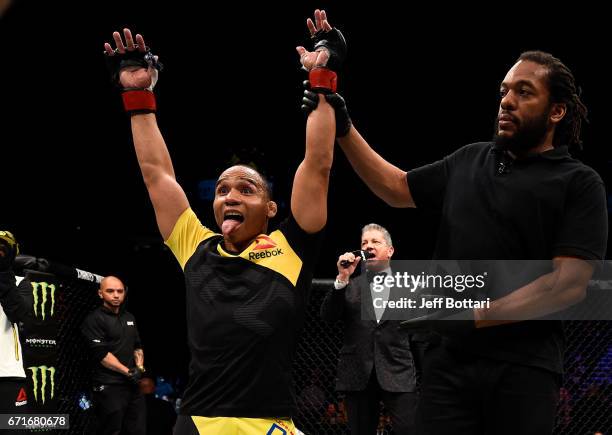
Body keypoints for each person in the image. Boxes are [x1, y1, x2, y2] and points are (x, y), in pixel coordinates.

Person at [300, 28, 608, 435]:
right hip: (448, 365)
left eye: (524, 92)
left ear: (557, 112)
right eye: (504, 91)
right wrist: (343, 125)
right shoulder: (471, 160)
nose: (507, 101)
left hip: (523, 368)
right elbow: (395, 188)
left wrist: (476, 316)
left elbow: (568, 284)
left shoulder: (578, 182)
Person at [103, 9, 337, 433]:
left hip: (269, 423)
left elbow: (317, 164)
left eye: (247, 190)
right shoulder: (196, 244)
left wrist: (322, 81)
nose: (230, 195)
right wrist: (139, 100)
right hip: (196, 423)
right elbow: (156, 174)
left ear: (271, 209)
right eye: (224, 189)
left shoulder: (292, 247)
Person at [321, 224, 417, 434]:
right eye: (364, 243)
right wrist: (342, 278)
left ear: (390, 250)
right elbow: (327, 317)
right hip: (357, 373)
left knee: (409, 428)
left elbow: (422, 331)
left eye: (375, 241)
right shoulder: (350, 285)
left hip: (397, 371)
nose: (369, 246)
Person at [81, 276, 146, 435]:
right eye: (110, 291)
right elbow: (102, 355)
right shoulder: (93, 320)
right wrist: (129, 372)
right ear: (100, 293)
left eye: (120, 291)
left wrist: (139, 368)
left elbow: (137, 346)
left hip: (132, 385)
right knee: (111, 430)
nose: (116, 295)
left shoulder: (129, 317)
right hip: (109, 386)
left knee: (137, 430)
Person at [0, 231, 29, 418]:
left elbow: (19, 313)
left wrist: (3, 272)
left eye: (2, 250)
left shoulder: (20, 283)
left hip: (8, 373)